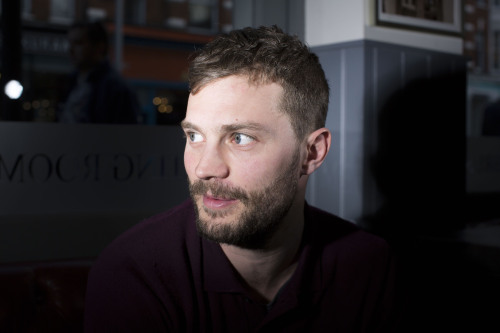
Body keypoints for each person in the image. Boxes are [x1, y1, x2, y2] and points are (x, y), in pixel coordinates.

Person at [84, 25, 400, 332]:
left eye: (240, 138)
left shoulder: (367, 265)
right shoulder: (134, 271)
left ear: (312, 153)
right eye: (194, 135)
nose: (204, 168)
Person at [58, 21, 142, 124]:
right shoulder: (72, 82)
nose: (71, 50)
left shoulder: (116, 88)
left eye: (78, 43)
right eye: (70, 43)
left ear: (99, 47)